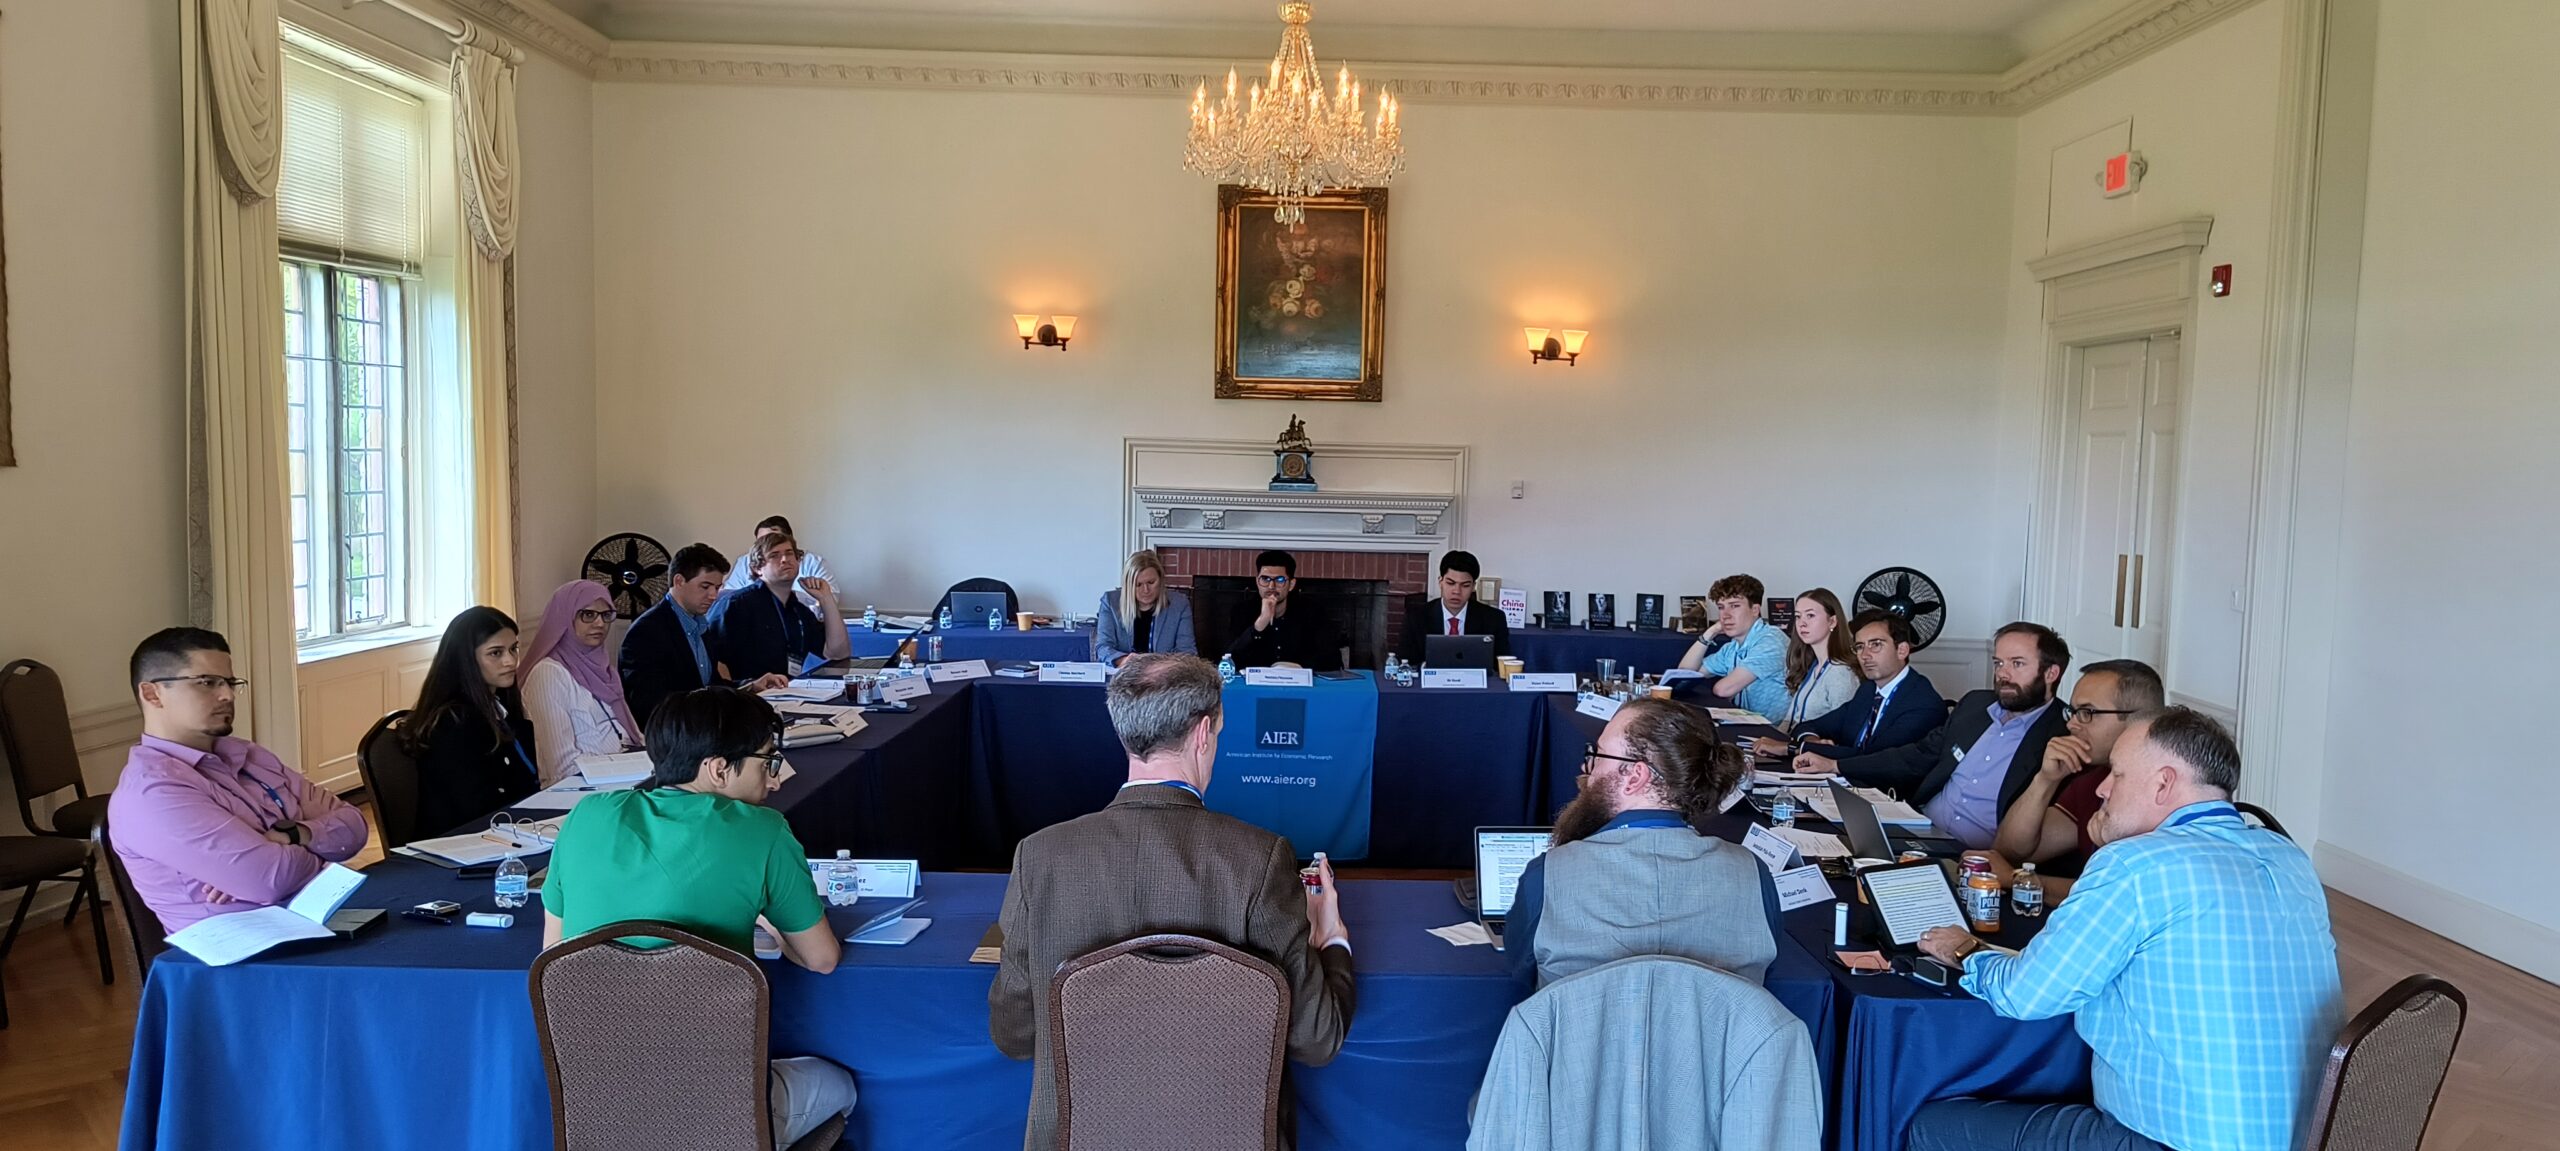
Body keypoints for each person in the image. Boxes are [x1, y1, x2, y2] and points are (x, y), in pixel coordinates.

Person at [1909, 708, 2342, 1151]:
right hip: (2306, 1137)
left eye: (2116, 774)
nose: (2101, 788)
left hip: (2167, 1141)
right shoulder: (2289, 858)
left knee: (1929, 1126)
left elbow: (2026, 995)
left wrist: (1966, 951)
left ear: (2163, 783)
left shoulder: (2135, 863)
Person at [990, 654, 1356, 1150]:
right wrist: (1331, 939)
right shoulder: (1262, 861)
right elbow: (1317, 1039)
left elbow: (1014, 1034)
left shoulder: (1038, 858)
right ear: (1203, 733)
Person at [541, 688, 856, 1150]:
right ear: (718, 769)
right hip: (725, 1112)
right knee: (843, 1086)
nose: (775, 780)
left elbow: (557, 955)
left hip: (598, 1114)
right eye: (768, 762)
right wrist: (768, 917)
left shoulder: (585, 816)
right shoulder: (763, 831)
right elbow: (822, 958)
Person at [105, 628, 370, 933]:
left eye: (230, 683)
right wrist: (321, 857)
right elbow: (269, 880)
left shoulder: (249, 755)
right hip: (244, 949)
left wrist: (295, 835)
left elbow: (355, 827)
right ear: (153, 694)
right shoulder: (152, 792)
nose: (227, 696)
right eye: (207, 682)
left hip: (322, 916)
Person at [1504, 698, 1781, 989]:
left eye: (1598, 754)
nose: (1587, 766)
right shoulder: (1753, 875)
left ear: (1635, 777)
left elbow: (1523, 973)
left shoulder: (1548, 875)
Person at [1813, 622, 2070, 849]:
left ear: (2051, 673)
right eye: (1998, 663)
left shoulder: (2062, 735)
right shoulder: (1975, 705)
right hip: (1918, 828)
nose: (2003, 674)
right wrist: (1837, 765)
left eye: (2017, 663)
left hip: (1976, 856)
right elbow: (1917, 755)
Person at [1988, 658, 2165, 892]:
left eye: (2087, 712)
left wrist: (2018, 880)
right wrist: (2045, 780)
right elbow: (2011, 852)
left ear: (2138, 720)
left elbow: (2123, 893)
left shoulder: (2162, 792)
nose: (2071, 725)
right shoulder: (2093, 780)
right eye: (2072, 712)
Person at [402, 606, 539, 837]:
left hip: (505, 828)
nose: (511, 661)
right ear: (465, 659)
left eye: (513, 649)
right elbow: (477, 807)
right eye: (495, 653)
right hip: (464, 840)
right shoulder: (452, 723)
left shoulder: (499, 707)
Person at [1756, 610, 1943, 766]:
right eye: (1860, 647)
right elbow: (1810, 726)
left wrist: (1794, 749)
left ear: (1902, 650)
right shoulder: (1868, 690)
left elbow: (1872, 758)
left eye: (1876, 645)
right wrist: (1811, 740)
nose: (1865, 655)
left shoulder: (1923, 703)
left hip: (1887, 792)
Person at [519, 580, 643, 786]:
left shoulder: (604, 668)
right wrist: (627, 770)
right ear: (564, 618)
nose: (600, 623)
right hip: (585, 787)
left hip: (628, 773)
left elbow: (633, 735)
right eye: (588, 614)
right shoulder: (548, 674)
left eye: (606, 615)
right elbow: (561, 768)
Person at [709, 531, 852, 681]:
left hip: (786, 689)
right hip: (749, 691)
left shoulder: (798, 610)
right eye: (774, 555)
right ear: (757, 568)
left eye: (789, 553)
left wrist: (826, 599)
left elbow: (838, 653)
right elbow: (712, 658)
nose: (785, 560)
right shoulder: (736, 605)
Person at [1676, 574, 1789, 719]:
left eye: (1735, 606)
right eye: (1721, 607)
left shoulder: (1771, 642)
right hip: (1749, 724)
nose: (1725, 615)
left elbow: (1723, 690)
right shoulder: (1732, 647)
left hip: (1774, 729)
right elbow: (1684, 675)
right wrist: (1710, 633)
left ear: (1755, 610)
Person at [1222, 549, 1344, 671]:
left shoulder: (1312, 611)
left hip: (1299, 680)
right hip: (1255, 681)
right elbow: (1228, 660)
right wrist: (1258, 626)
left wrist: (1300, 667)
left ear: (1291, 584)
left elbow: (1333, 659)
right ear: (1257, 582)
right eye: (1265, 579)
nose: (1271, 586)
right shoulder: (1242, 611)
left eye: (1279, 580)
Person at [1393, 549, 1512, 665]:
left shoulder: (1494, 618)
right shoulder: (1416, 617)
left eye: (1465, 585)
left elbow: (1501, 663)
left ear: (1473, 587)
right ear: (1440, 582)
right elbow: (1405, 661)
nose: (1456, 591)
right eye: (1450, 583)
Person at [1092, 548, 1196, 666]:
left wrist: (1158, 667)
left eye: (1151, 583)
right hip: (1124, 671)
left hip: (1165, 673)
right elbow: (1103, 648)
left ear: (1161, 580)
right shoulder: (1110, 602)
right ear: (1128, 585)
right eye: (1138, 585)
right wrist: (1124, 661)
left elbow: (1187, 652)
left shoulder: (1179, 604)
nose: (1146, 590)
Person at [1773, 588, 1858, 731]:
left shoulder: (1840, 672)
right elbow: (1789, 720)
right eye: (1798, 616)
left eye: (1810, 615)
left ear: (1832, 622)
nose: (1802, 623)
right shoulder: (1812, 665)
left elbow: (1842, 729)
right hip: (1792, 741)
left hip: (1810, 744)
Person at [721, 514, 835, 613]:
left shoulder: (813, 562)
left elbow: (829, 601)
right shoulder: (744, 564)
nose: (784, 560)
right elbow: (727, 595)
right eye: (762, 541)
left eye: (775, 539)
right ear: (757, 568)